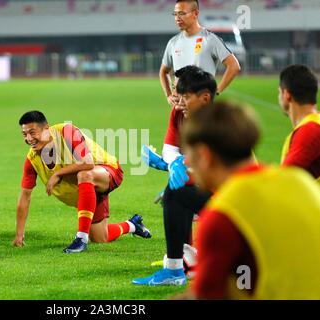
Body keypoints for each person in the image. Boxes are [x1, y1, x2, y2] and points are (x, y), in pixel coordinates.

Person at [176, 101, 320, 299]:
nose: (187, 161)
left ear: (205, 155)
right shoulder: (299, 180)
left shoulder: (223, 214)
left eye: (189, 153)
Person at [13, 111, 151, 253]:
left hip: (108, 171)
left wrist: (58, 174)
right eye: (25, 134)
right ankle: (133, 225)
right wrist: (19, 235)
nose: (29, 138)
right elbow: (25, 196)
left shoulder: (66, 131)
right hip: (88, 189)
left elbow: (88, 163)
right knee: (100, 237)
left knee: (84, 174)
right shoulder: (32, 160)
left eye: (32, 132)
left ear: (46, 129)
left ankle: (81, 239)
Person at [134, 65, 216, 285]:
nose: (177, 99)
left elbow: (217, 174)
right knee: (176, 192)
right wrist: (173, 165)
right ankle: (182, 263)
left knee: (175, 192)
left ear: (205, 98)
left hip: (235, 203)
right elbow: (170, 149)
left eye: (184, 95)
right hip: (218, 196)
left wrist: (181, 171)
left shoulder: (218, 125)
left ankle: (183, 264)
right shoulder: (183, 114)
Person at [159, 0, 240, 164]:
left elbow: (233, 66)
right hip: (181, 107)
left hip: (202, 108)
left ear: (196, 13)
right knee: (178, 152)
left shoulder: (210, 40)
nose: (177, 18)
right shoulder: (173, 42)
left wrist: (216, 91)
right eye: (175, 14)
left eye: (182, 13)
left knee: (207, 154)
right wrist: (169, 95)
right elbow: (163, 71)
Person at [278, 64, 320, 181]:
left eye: (279, 92)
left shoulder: (310, 130)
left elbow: (284, 178)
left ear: (287, 95)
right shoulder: (314, 124)